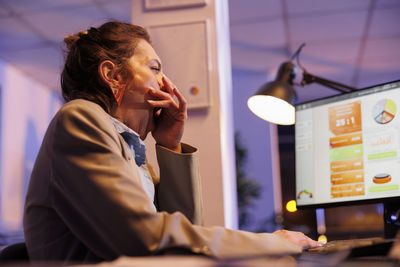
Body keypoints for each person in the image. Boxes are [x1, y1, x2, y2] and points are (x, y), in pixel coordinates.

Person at [23, 21, 318, 264]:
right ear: (112, 75)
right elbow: (145, 238)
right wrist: (268, 243)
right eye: (154, 68)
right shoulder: (80, 118)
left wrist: (170, 145)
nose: (166, 83)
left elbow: (184, 234)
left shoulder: (126, 146)